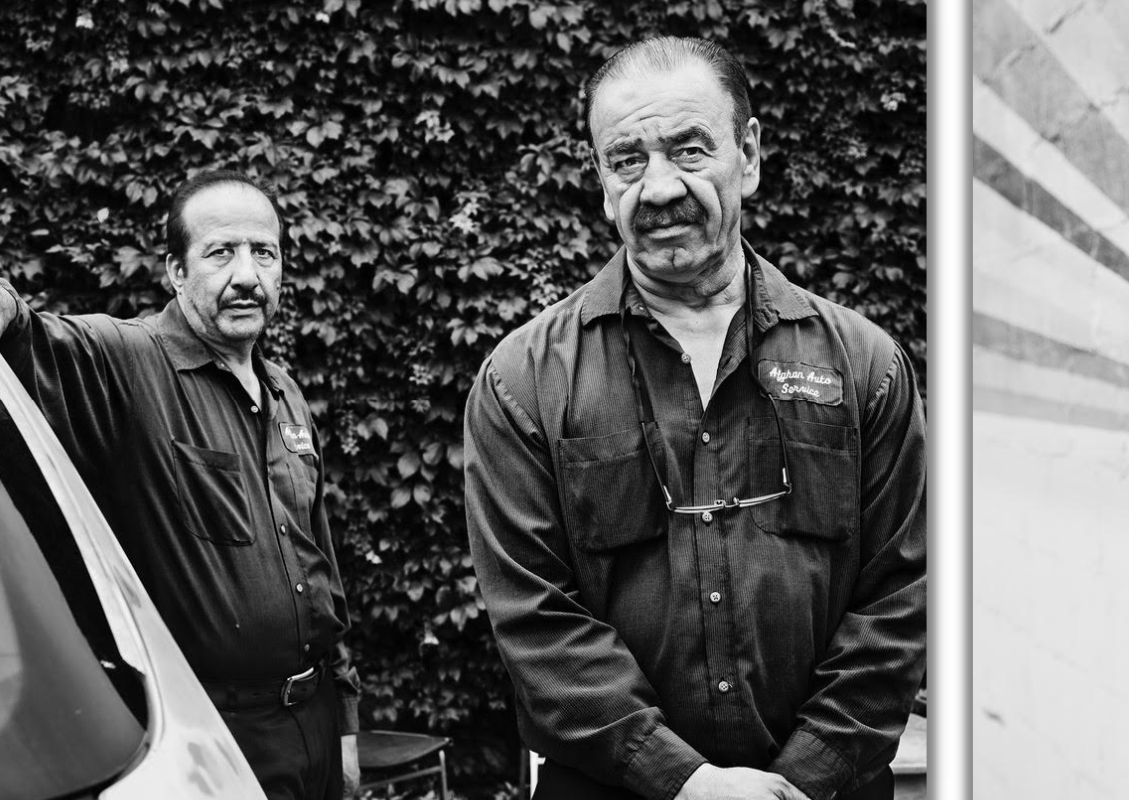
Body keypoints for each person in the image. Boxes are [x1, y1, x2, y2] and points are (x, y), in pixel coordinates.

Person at [463, 37, 926, 800]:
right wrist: (684, 782)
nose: (658, 188)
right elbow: (535, 619)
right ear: (599, 180)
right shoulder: (522, 383)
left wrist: (805, 777)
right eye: (626, 160)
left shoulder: (866, 368)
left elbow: (902, 596)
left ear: (748, 155)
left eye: (688, 149)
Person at [0, 171, 361, 800]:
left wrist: (347, 727)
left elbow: (320, 562)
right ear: (174, 271)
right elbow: (24, 331)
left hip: (318, 718)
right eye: (221, 252)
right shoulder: (129, 360)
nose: (247, 274)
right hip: (217, 738)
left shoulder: (286, 393)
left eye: (264, 252)